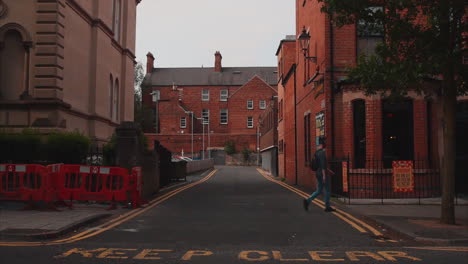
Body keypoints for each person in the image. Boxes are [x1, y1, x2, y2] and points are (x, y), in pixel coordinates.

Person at [303, 136, 336, 212]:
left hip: (318, 173)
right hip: (322, 174)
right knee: (327, 190)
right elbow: (322, 165)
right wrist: (324, 175)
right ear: (322, 142)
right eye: (325, 141)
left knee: (319, 190)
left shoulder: (317, 152)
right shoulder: (322, 152)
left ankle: (307, 201)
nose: (326, 143)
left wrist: (329, 171)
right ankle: (327, 207)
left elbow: (321, 165)